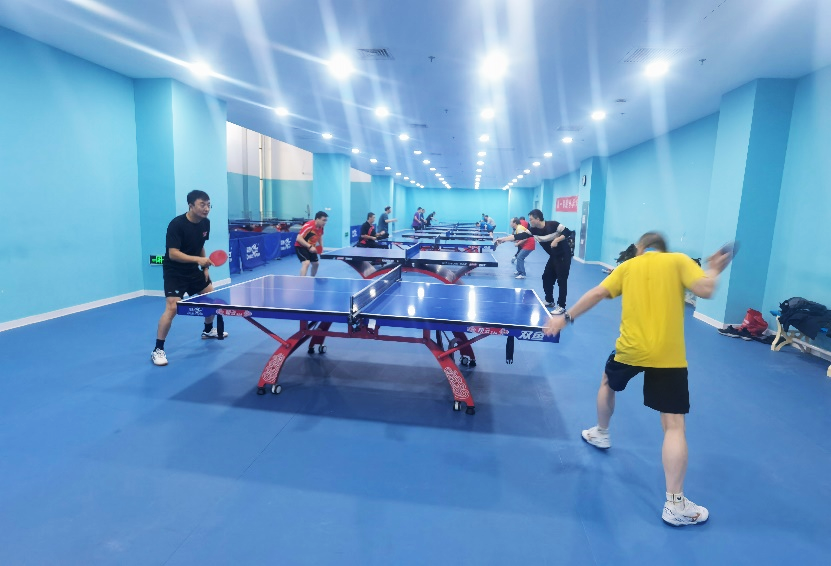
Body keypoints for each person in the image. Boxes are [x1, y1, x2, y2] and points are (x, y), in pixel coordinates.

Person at [542, 232, 731, 526]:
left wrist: (564, 319)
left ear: (641, 248)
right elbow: (705, 289)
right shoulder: (679, 261)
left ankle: (601, 432)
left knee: (607, 383)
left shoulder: (629, 266)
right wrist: (715, 269)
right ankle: (675, 504)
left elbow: (596, 294)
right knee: (674, 425)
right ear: (664, 249)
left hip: (630, 350)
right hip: (668, 355)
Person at [151, 190, 226, 367]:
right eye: (202, 205)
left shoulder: (205, 223)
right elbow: (173, 253)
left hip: (193, 270)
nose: (206, 208)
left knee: (210, 299)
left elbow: (200, 246)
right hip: (175, 271)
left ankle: (208, 330)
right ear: (191, 206)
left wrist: (204, 267)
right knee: (172, 307)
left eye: (209, 205)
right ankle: (158, 349)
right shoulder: (176, 225)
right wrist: (198, 260)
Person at [495, 209, 574, 313]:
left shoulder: (553, 225)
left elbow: (568, 232)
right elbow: (519, 236)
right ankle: (549, 300)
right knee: (546, 277)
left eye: (531, 219)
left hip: (563, 255)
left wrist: (556, 240)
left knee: (561, 280)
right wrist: (503, 239)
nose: (529, 221)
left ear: (537, 219)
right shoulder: (533, 230)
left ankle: (561, 306)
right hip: (554, 256)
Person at [295, 211, 328, 276]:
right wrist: (310, 246)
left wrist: (321, 247)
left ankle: (312, 279)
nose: (325, 222)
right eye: (323, 220)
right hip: (301, 246)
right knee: (306, 263)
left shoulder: (321, 227)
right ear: (317, 219)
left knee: (316, 264)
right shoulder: (309, 226)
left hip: (311, 247)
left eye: (326, 220)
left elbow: (320, 237)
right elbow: (298, 238)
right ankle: (301, 281)